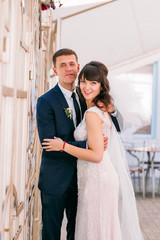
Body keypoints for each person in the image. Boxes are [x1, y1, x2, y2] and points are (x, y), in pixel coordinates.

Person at [42, 61, 144, 240]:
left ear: (101, 85)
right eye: (84, 82)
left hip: (97, 176)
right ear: (55, 69)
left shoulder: (95, 110)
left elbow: (96, 155)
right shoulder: (88, 104)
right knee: (97, 228)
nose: (86, 86)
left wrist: (64, 146)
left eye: (93, 83)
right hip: (88, 176)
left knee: (96, 228)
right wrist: (90, 144)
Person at [37, 49, 115, 240]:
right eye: (62, 65)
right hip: (55, 180)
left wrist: (100, 136)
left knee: (78, 232)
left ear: (78, 67)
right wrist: (89, 145)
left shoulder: (86, 97)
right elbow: (49, 144)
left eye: (71, 64)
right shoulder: (45, 101)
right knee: (51, 233)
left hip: (83, 180)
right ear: (55, 70)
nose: (68, 69)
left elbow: (109, 121)